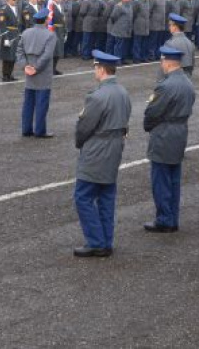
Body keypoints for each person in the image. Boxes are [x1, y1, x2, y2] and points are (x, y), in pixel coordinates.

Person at [73, 50, 132, 258]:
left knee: (83, 196)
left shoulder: (97, 96)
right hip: (115, 147)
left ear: (101, 69)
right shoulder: (123, 92)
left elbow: (84, 127)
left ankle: (96, 242)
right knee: (106, 196)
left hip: (97, 149)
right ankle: (106, 241)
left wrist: (79, 142)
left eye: (95, 68)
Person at [143, 46, 196, 233]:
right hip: (180, 131)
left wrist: (148, 126)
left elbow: (152, 112)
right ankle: (172, 218)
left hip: (164, 133)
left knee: (161, 180)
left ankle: (164, 219)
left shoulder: (165, 86)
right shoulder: (187, 82)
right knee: (173, 179)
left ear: (167, 62)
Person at [16, 8, 58, 138]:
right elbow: (47, 55)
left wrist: (25, 66)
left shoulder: (26, 32)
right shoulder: (50, 35)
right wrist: (36, 68)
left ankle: (26, 129)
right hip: (42, 73)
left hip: (29, 71)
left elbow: (19, 51)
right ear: (46, 20)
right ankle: (40, 131)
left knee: (28, 103)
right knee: (41, 104)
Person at [0, 0, 21, 82]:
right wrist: (5, 38)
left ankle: (10, 74)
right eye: (13, 0)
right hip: (7, 34)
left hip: (15, 34)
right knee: (7, 56)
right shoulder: (3, 10)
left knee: (13, 56)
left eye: (16, 0)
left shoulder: (16, 8)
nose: (15, 1)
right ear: (8, 0)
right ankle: (5, 75)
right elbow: (2, 25)